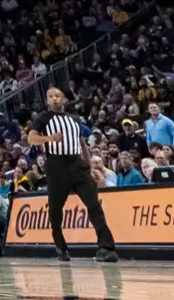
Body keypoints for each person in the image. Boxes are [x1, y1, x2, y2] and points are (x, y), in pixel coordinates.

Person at [27, 86, 118, 262]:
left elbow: (82, 143)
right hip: (56, 165)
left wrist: (89, 164)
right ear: (47, 101)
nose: (54, 99)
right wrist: (49, 139)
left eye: (57, 96)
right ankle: (61, 246)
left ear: (64, 100)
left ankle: (106, 247)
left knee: (94, 205)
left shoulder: (75, 120)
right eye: (50, 97)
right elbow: (31, 138)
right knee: (55, 210)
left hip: (77, 164)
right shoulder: (43, 118)